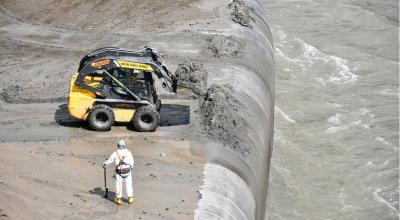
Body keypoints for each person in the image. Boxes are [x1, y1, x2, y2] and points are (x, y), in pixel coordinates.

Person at [103, 139, 135, 205]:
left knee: (118, 185)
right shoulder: (129, 152)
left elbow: (110, 160)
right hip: (127, 172)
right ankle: (130, 198)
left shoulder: (115, 153)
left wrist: (105, 164)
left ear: (118, 145)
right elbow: (132, 162)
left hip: (119, 172)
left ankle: (118, 199)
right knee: (129, 185)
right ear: (124, 145)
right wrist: (130, 168)